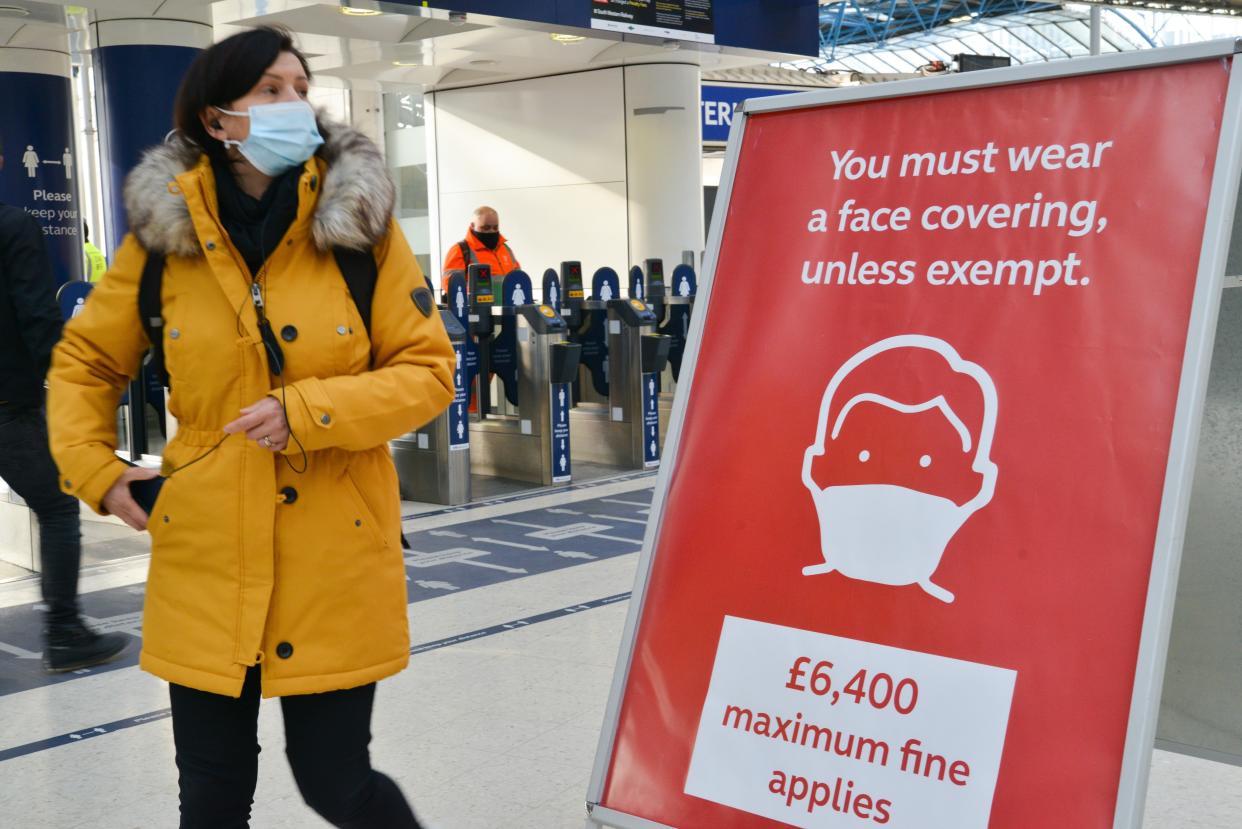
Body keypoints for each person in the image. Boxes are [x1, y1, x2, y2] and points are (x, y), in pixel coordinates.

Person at [47, 27, 454, 828]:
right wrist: (97, 471)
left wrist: (305, 411)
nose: (293, 103)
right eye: (270, 89)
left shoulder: (359, 227)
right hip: (205, 552)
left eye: (301, 86)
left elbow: (429, 371)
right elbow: (84, 363)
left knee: (337, 783)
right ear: (216, 117)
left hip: (334, 553)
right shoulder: (163, 241)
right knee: (211, 794)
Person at [0, 148, 129, 672]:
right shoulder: (13, 225)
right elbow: (35, 313)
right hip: (8, 404)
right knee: (56, 507)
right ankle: (64, 631)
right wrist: (70, 379)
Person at [440, 205, 519, 292]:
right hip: (477, 304)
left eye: (495, 227)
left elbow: (518, 278)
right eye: (486, 228)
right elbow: (451, 286)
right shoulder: (460, 250)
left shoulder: (505, 249)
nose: (491, 231)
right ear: (473, 225)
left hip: (507, 305)